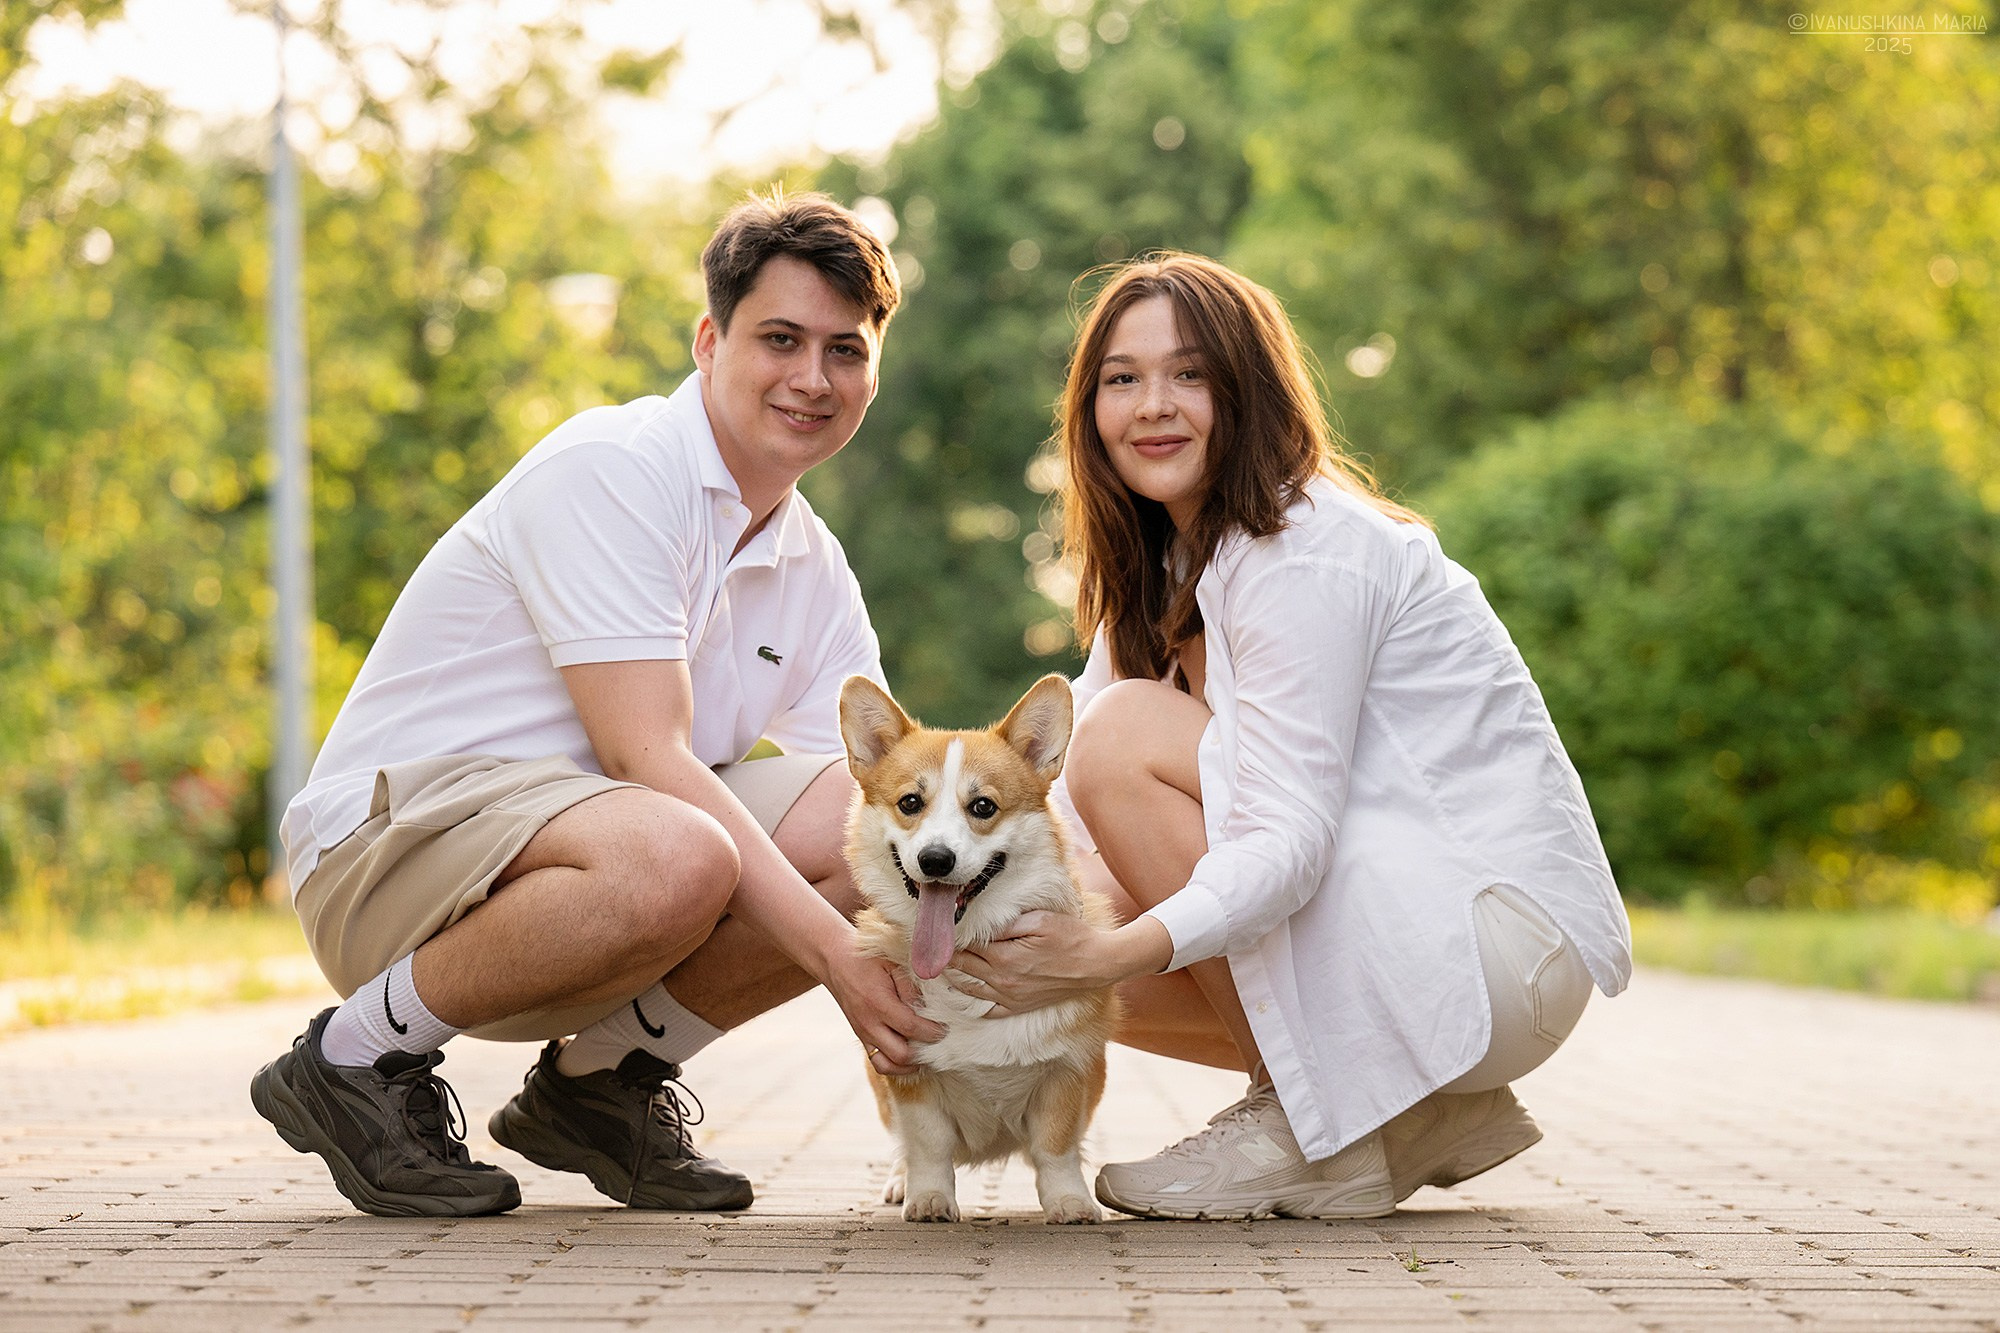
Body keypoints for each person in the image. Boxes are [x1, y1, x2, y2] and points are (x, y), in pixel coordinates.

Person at [251, 189, 946, 1218]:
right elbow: (645, 755)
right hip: (387, 858)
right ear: (709, 341)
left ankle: (597, 1087)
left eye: (844, 350)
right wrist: (840, 962)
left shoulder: (811, 565)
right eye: (780, 339)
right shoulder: (615, 472)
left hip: (583, 877)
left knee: (894, 834)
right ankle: (349, 1058)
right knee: (679, 845)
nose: (812, 377)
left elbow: (874, 809)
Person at [949, 252, 1633, 1220]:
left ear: (1248, 392)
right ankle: (1422, 1112)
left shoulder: (1301, 550)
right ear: (1087, 409)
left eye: (1189, 374)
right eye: (1121, 379)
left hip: (1488, 943)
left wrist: (1111, 954)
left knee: (1117, 749)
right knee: (1034, 923)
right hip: (1417, 946)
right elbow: (1059, 821)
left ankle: (1315, 1133)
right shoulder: (1164, 570)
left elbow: (1285, 837)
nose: (1153, 404)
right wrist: (948, 929)